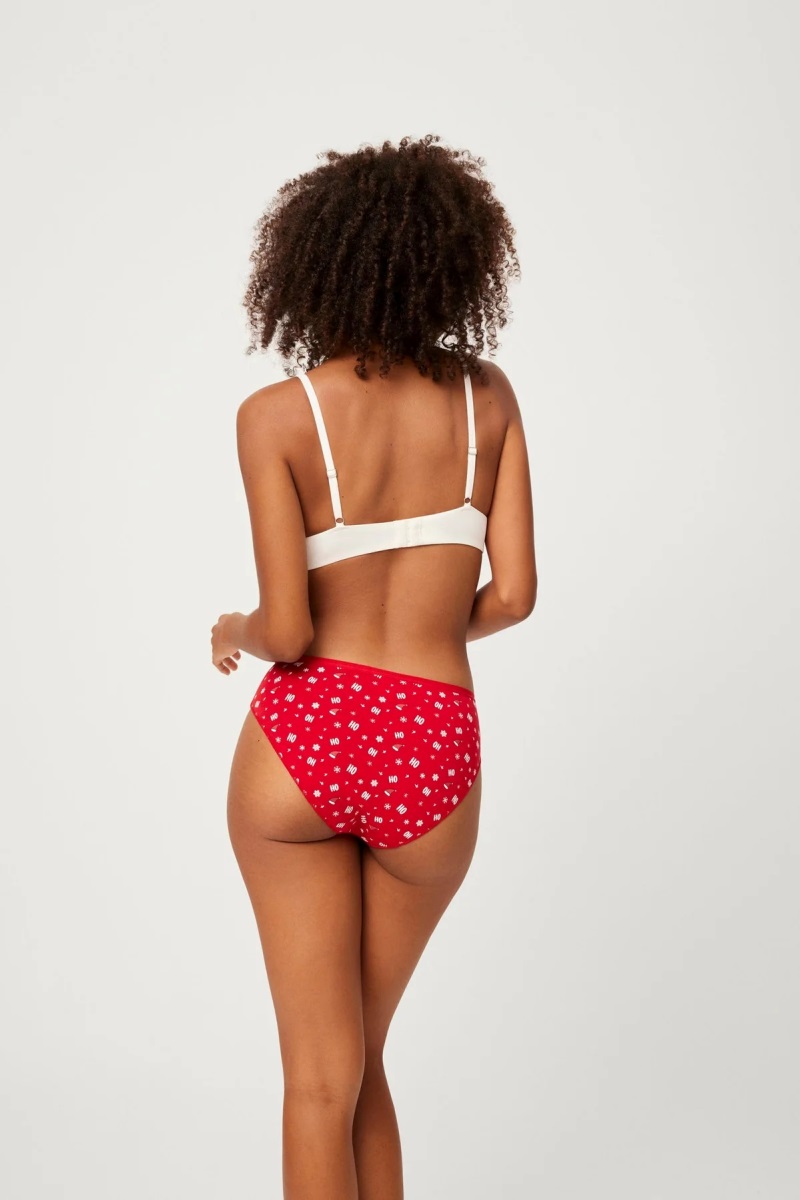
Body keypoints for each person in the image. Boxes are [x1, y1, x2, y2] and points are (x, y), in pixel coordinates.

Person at [212, 133, 537, 1200]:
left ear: (311, 265)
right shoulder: (486, 400)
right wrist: (430, 635)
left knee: (319, 1080)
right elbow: (515, 597)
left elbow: (291, 630)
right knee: (363, 1062)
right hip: (433, 744)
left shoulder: (277, 416)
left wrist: (233, 627)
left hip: (305, 744)